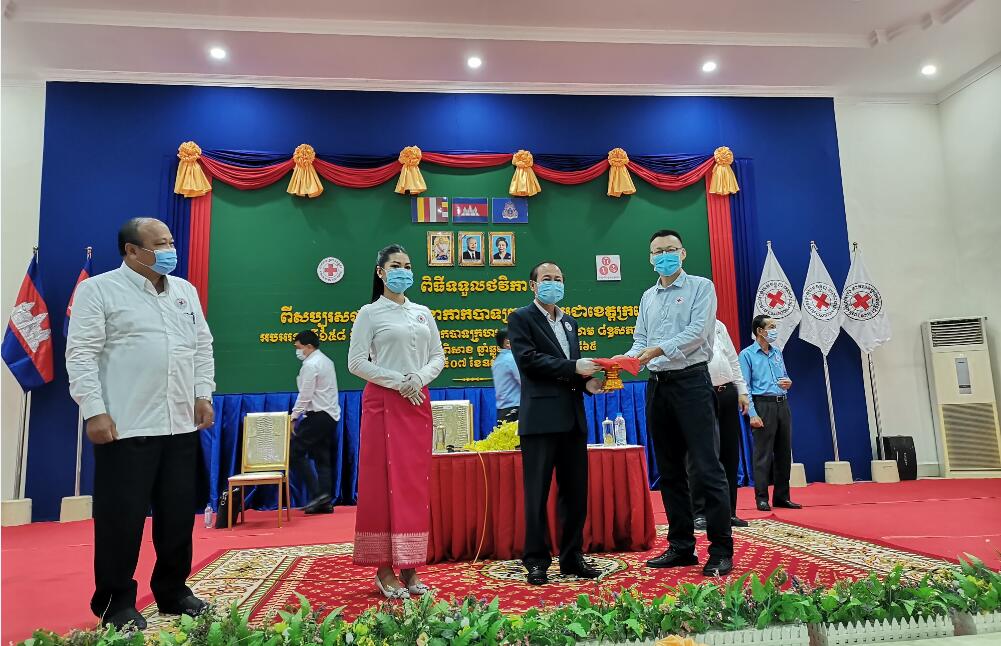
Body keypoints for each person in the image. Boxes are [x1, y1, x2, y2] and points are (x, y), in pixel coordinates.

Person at [66, 217, 215, 630]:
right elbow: (81, 354)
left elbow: (202, 347)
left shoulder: (184, 291)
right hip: (125, 425)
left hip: (180, 424)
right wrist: (94, 410)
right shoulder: (98, 290)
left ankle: (173, 590)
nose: (170, 251)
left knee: (177, 516)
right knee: (122, 519)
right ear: (131, 251)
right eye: (159, 244)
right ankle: (115, 603)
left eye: (171, 242)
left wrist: (203, 393)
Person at [619, 229, 734, 577]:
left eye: (670, 249)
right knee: (669, 472)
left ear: (682, 253)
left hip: (692, 383)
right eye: (658, 251)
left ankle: (720, 549)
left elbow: (698, 333)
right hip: (657, 386)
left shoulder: (701, 287)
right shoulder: (648, 296)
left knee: (707, 467)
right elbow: (640, 340)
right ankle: (681, 546)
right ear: (650, 258)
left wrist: (656, 350)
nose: (664, 255)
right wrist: (623, 361)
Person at [347, 244, 445, 600]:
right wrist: (398, 381)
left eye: (407, 265)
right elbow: (356, 363)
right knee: (382, 484)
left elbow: (438, 357)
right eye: (395, 265)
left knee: (413, 486)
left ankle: (411, 566)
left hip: (417, 401)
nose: (403, 271)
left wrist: (417, 379)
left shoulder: (423, 312)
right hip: (383, 403)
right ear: (381, 272)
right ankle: (384, 569)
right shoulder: (369, 313)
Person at [507, 262, 605, 586]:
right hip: (540, 420)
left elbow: (572, 372)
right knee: (537, 494)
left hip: (573, 419)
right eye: (547, 279)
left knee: (575, 493)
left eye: (559, 279)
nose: (554, 283)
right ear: (533, 285)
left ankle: (572, 556)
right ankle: (536, 560)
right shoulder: (521, 318)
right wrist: (575, 367)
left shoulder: (569, 322)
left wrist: (589, 384)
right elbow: (529, 361)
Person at [690, 320, 751, 531]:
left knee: (729, 453)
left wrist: (742, 391)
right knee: (700, 454)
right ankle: (699, 513)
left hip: (727, 392)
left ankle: (728, 511)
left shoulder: (719, 325)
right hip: (701, 393)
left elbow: (732, 359)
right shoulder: (688, 324)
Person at [739, 315, 802, 512]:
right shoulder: (747, 355)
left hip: (782, 403)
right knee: (763, 454)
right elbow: (745, 387)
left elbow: (784, 376)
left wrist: (788, 382)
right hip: (762, 404)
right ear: (760, 331)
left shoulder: (777, 352)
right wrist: (753, 414)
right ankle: (761, 498)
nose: (775, 330)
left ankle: (782, 497)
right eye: (771, 327)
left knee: (784, 452)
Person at [290, 329, 341, 515]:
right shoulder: (326, 361)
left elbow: (305, 394)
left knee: (293, 452)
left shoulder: (311, 365)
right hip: (330, 415)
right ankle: (324, 502)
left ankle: (318, 495)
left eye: (299, 347)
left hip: (318, 415)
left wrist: (294, 416)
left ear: (309, 346)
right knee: (322, 458)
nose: (297, 351)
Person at [491, 328, 521, 422]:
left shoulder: (498, 360)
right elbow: (523, 381)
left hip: (503, 410)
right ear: (507, 342)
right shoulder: (512, 359)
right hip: (514, 410)